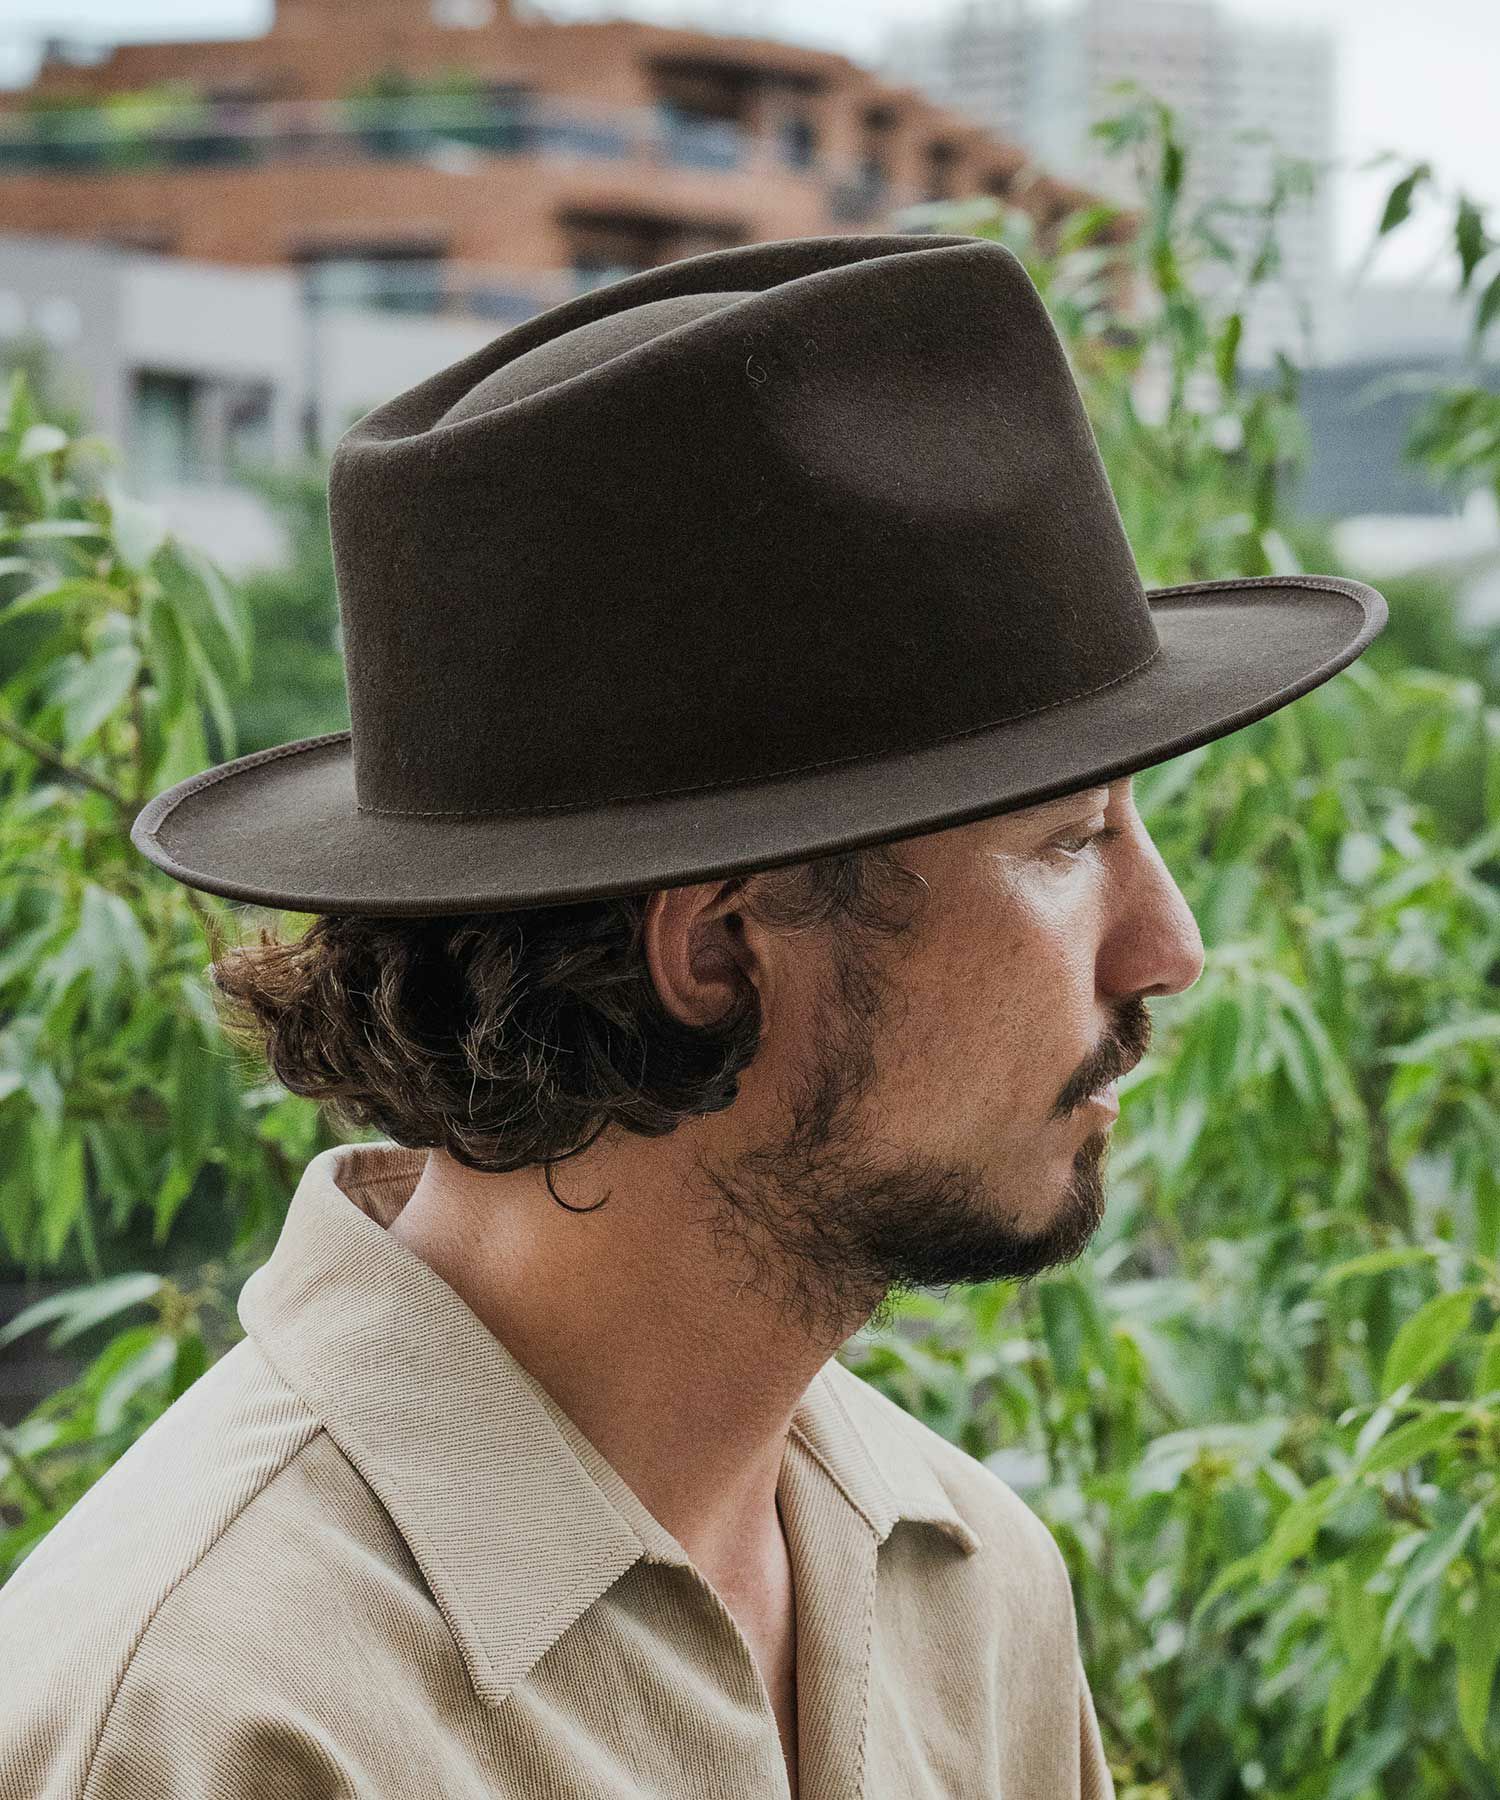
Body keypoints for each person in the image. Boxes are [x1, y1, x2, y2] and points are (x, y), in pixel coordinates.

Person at [0, 231, 1385, 1799]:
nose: (1168, 949)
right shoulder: (201, 1722)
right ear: (720, 950)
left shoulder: (973, 1592)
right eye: (1069, 842)